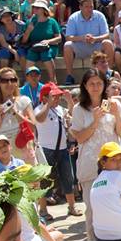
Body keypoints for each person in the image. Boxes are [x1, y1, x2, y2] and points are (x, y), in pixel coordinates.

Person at [69, 67, 121, 241]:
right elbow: (79, 138)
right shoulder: (79, 109)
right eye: (91, 84)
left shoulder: (114, 104)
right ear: (85, 86)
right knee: (92, 205)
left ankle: (118, 235)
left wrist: (116, 115)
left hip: (114, 161)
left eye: (99, 83)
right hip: (90, 162)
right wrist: (94, 122)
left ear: (104, 85)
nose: (95, 87)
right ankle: (93, 238)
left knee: (117, 202)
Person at [34, 82, 80, 217]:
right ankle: (43, 210)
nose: (57, 99)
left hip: (62, 148)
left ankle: (71, 206)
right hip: (46, 149)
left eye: (58, 96)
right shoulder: (39, 108)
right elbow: (39, 119)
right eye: (54, 96)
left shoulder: (59, 109)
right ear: (44, 98)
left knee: (68, 178)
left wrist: (69, 101)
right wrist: (48, 104)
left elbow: (73, 114)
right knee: (44, 180)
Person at [89, 142, 121, 241]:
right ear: (103, 162)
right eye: (113, 160)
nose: (118, 163)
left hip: (101, 236)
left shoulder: (96, 181)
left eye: (120, 160)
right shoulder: (117, 175)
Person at [0, 67, 36, 165]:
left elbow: (33, 127)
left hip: (25, 153)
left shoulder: (24, 101)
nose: (10, 83)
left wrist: (15, 113)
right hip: (4, 157)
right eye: (5, 80)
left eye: (13, 80)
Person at [63, 0, 111, 84]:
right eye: (86, 7)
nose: (89, 9)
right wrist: (82, 38)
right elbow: (68, 37)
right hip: (80, 46)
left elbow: (106, 35)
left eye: (91, 7)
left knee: (108, 43)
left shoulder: (100, 16)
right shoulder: (73, 18)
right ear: (80, 7)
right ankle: (69, 75)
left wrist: (95, 38)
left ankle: (108, 72)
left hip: (96, 46)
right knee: (67, 45)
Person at [20, 0, 61, 83]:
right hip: (34, 47)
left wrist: (48, 41)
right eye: (34, 7)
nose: (35, 9)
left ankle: (53, 80)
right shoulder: (30, 22)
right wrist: (28, 31)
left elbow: (59, 38)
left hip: (50, 46)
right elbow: (24, 41)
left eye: (38, 8)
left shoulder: (52, 22)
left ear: (44, 10)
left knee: (46, 54)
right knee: (31, 54)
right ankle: (28, 81)